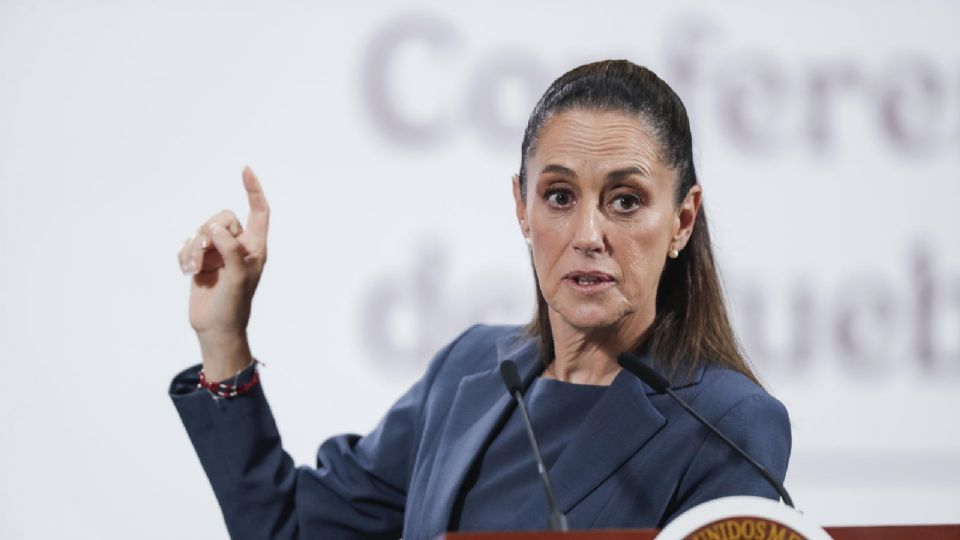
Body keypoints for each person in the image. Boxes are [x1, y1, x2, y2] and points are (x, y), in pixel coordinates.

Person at [171, 60, 791, 540]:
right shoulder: (470, 368)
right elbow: (294, 531)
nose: (587, 236)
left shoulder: (729, 422)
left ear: (682, 220)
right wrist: (224, 340)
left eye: (625, 200)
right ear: (521, 207)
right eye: (558, 196)